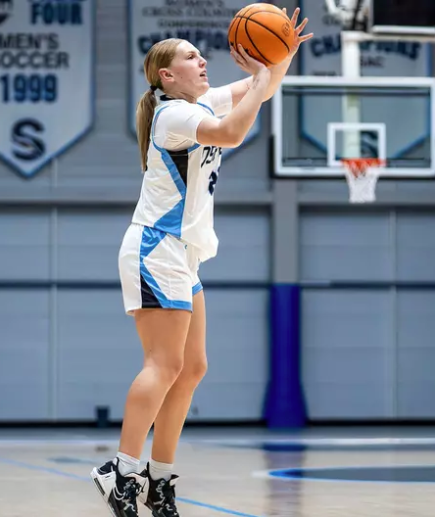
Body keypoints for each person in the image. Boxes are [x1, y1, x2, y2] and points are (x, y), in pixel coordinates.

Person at [91, 8, 312, 517]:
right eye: (191, 56)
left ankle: (161, 480)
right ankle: (122, 472)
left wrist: (280, 58)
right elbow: (233, 132)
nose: (203, 60)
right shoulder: (175, 114)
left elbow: (261, 91)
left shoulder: (195, 103)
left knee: (192, 368)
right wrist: (259, 78)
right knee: (164, 364)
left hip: (181, 253)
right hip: (156, 247)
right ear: (167, 75)